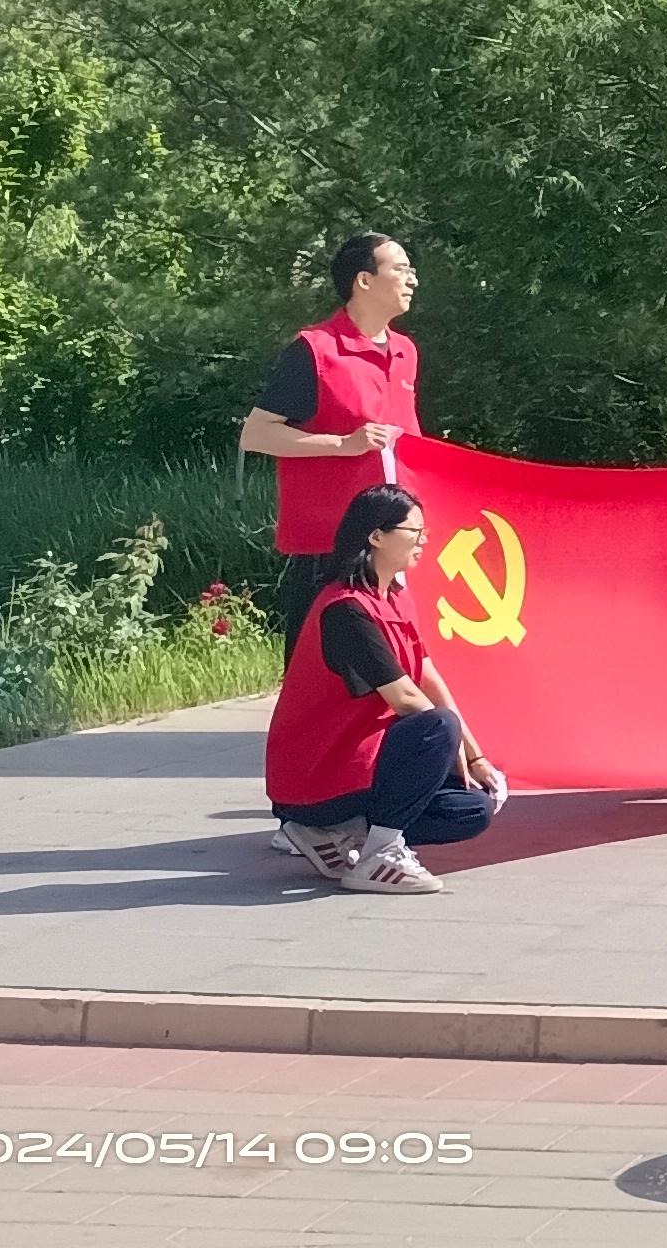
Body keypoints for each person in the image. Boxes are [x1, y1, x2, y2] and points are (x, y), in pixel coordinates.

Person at [265, 482, 503, 894]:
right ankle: (378, 853)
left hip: (362, 763)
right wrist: (449, 747)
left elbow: (427, 675)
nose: (424, 540)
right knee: (436, 727)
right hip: (320, 773)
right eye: (415, 531)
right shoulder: (345, 609)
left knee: (471, 809)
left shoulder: (394, 597)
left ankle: (333, 832)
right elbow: (406, 698)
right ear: (376, 536)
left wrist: (476, 756)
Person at [240, 234, 422, 643]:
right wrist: (342, 444)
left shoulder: (406, 352)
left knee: (396, 670)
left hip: (394, 546)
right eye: (400, 269)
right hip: (330, 549)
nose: (412, 280)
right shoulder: (315, 350)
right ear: (364, 280)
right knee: (320, 671)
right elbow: (255, 434)